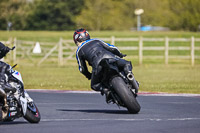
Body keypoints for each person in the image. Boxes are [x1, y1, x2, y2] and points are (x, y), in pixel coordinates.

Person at [74, 28, 138, 99]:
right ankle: (129, 74)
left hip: (97, 66)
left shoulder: (79, 51)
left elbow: (82, 69)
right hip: (111, 58)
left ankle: (106, 91)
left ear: (77, 40)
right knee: (127, 63)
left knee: (94, 85)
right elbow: (112, 48)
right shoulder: (96, 40)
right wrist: (120, 54)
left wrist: (89, 75)